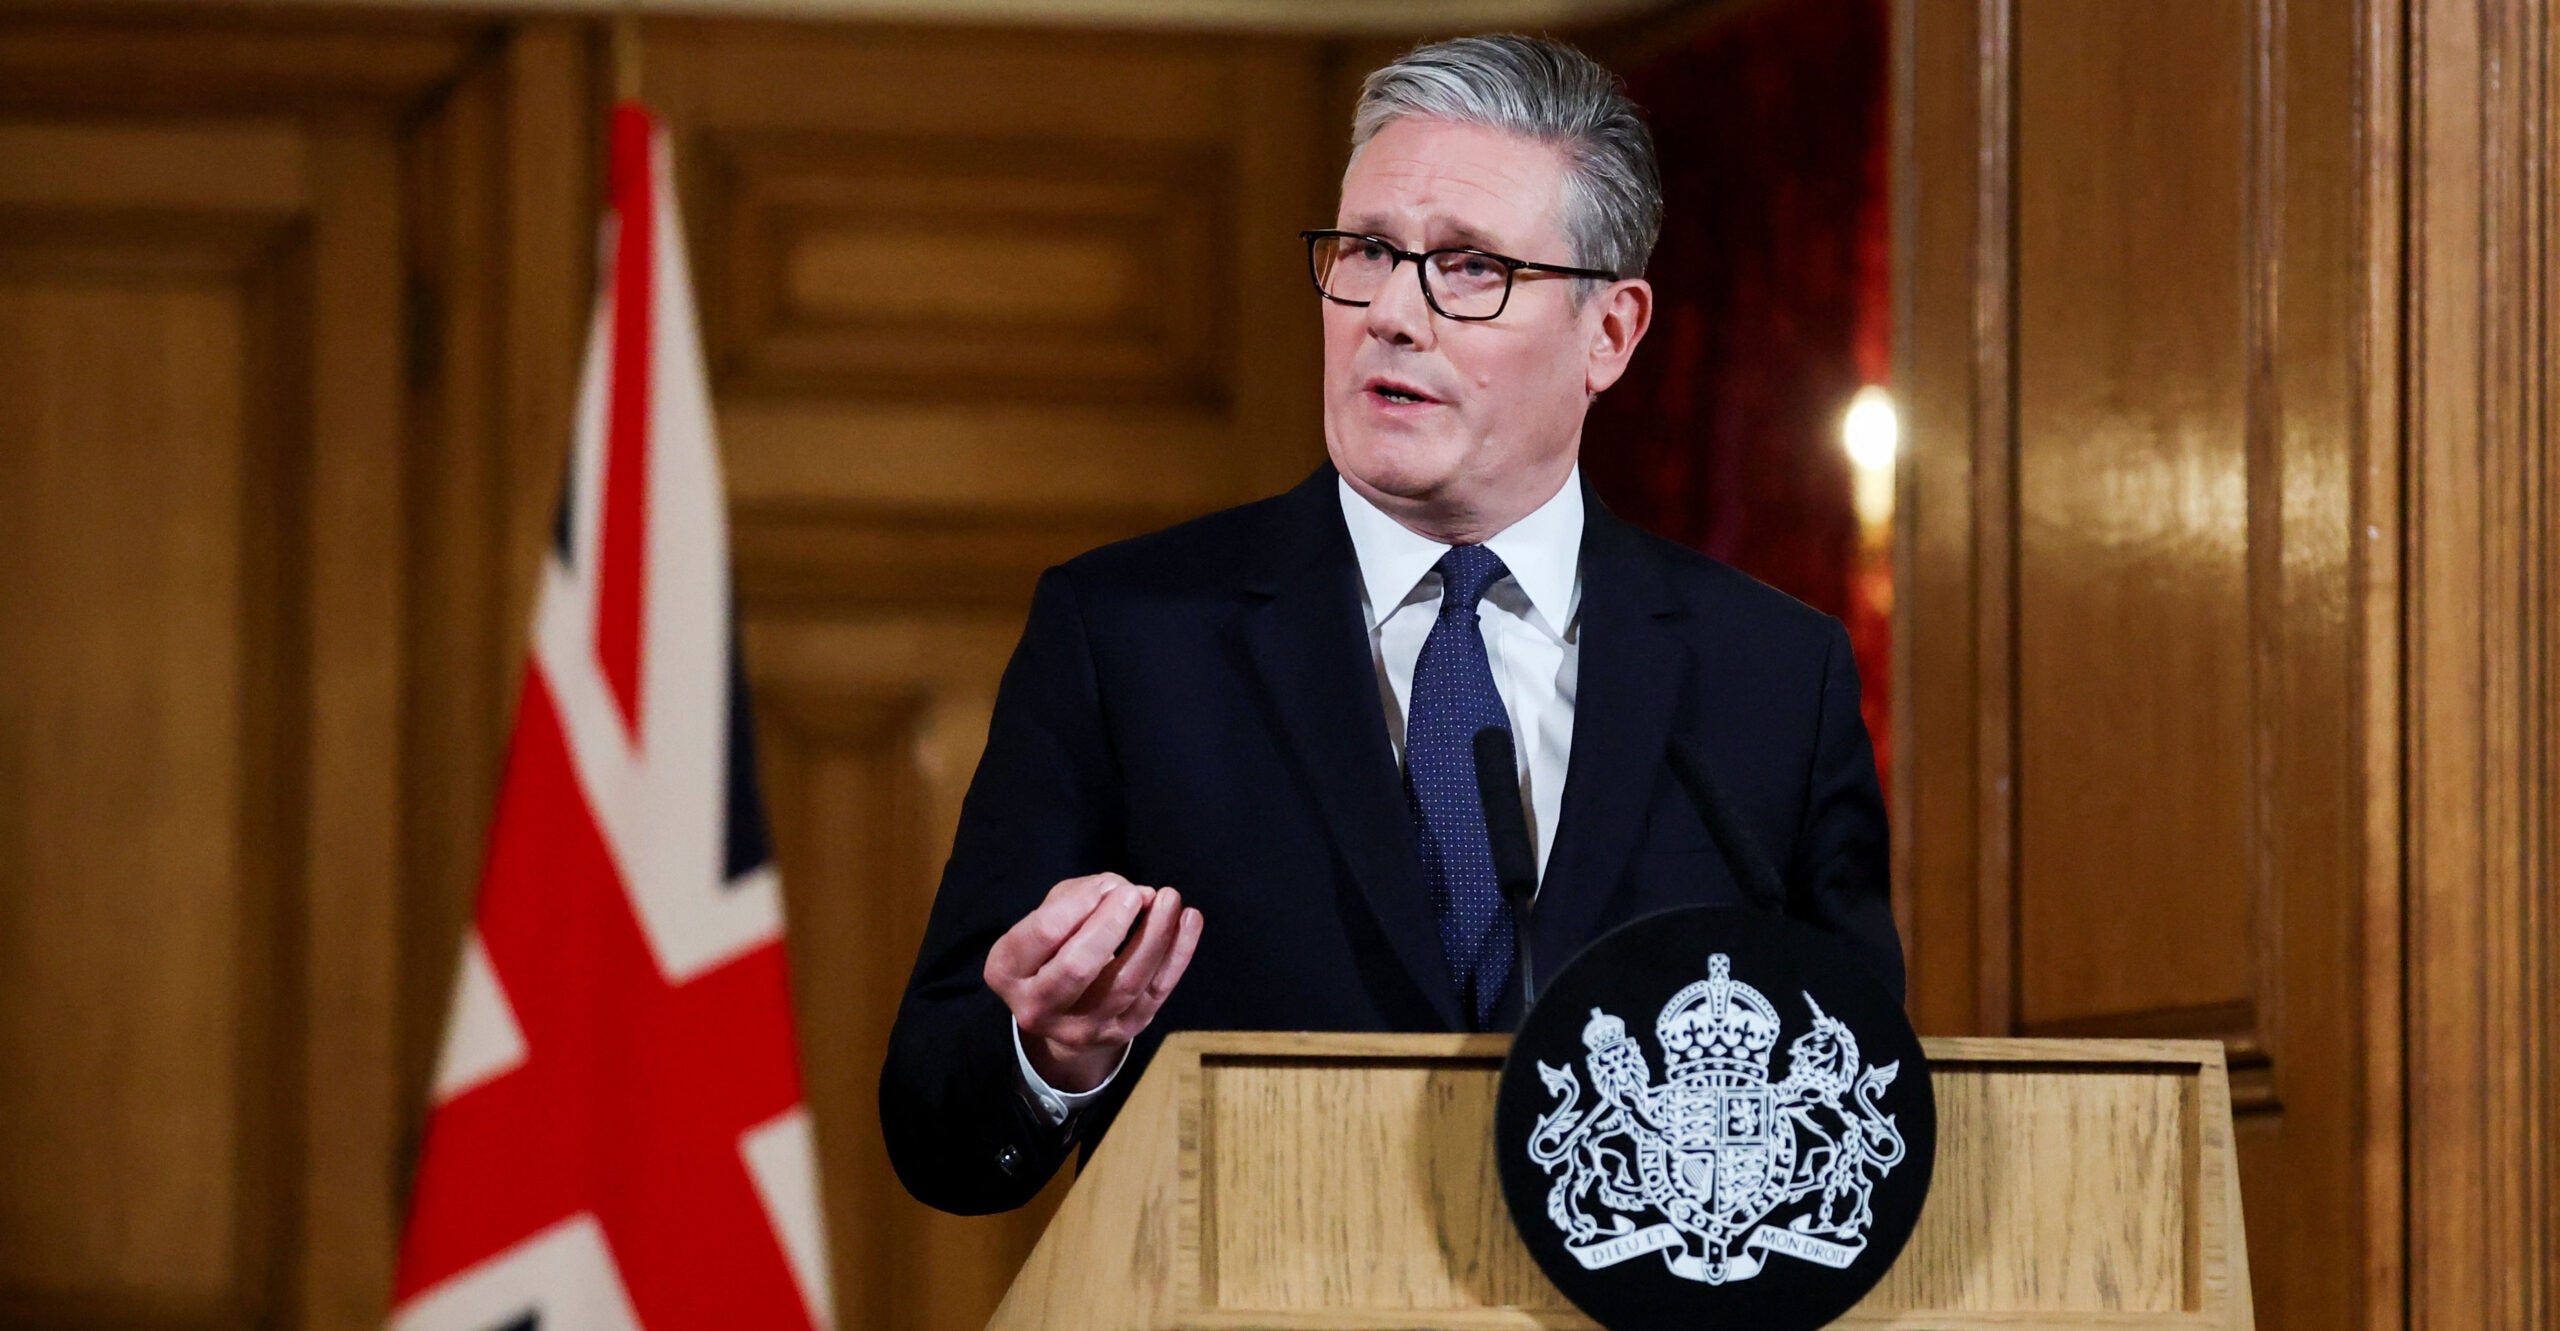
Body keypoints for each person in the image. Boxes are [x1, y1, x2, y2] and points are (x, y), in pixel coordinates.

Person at [878, 33, 1900, 1217]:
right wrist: (1050, 1052)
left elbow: (1859, 1101)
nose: (1391, 314)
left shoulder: (1771, 676)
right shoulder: (1130, 639)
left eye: (1469, 267)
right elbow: (937, 1124)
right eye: (1367, 250)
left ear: (1611, 333)